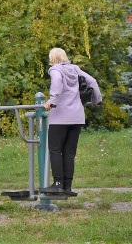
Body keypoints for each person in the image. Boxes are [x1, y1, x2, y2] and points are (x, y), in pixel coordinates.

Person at [41, 47, 101, 196]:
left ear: (52, 58)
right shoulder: (75, 68)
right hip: (77, 117)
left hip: (60, 117)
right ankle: (67, 186)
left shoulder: (55, 70)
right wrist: (96, 100)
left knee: (55, 150)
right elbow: (92, 81)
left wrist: (51, 101)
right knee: (69, 153)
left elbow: (57, 84)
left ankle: (58, 184)